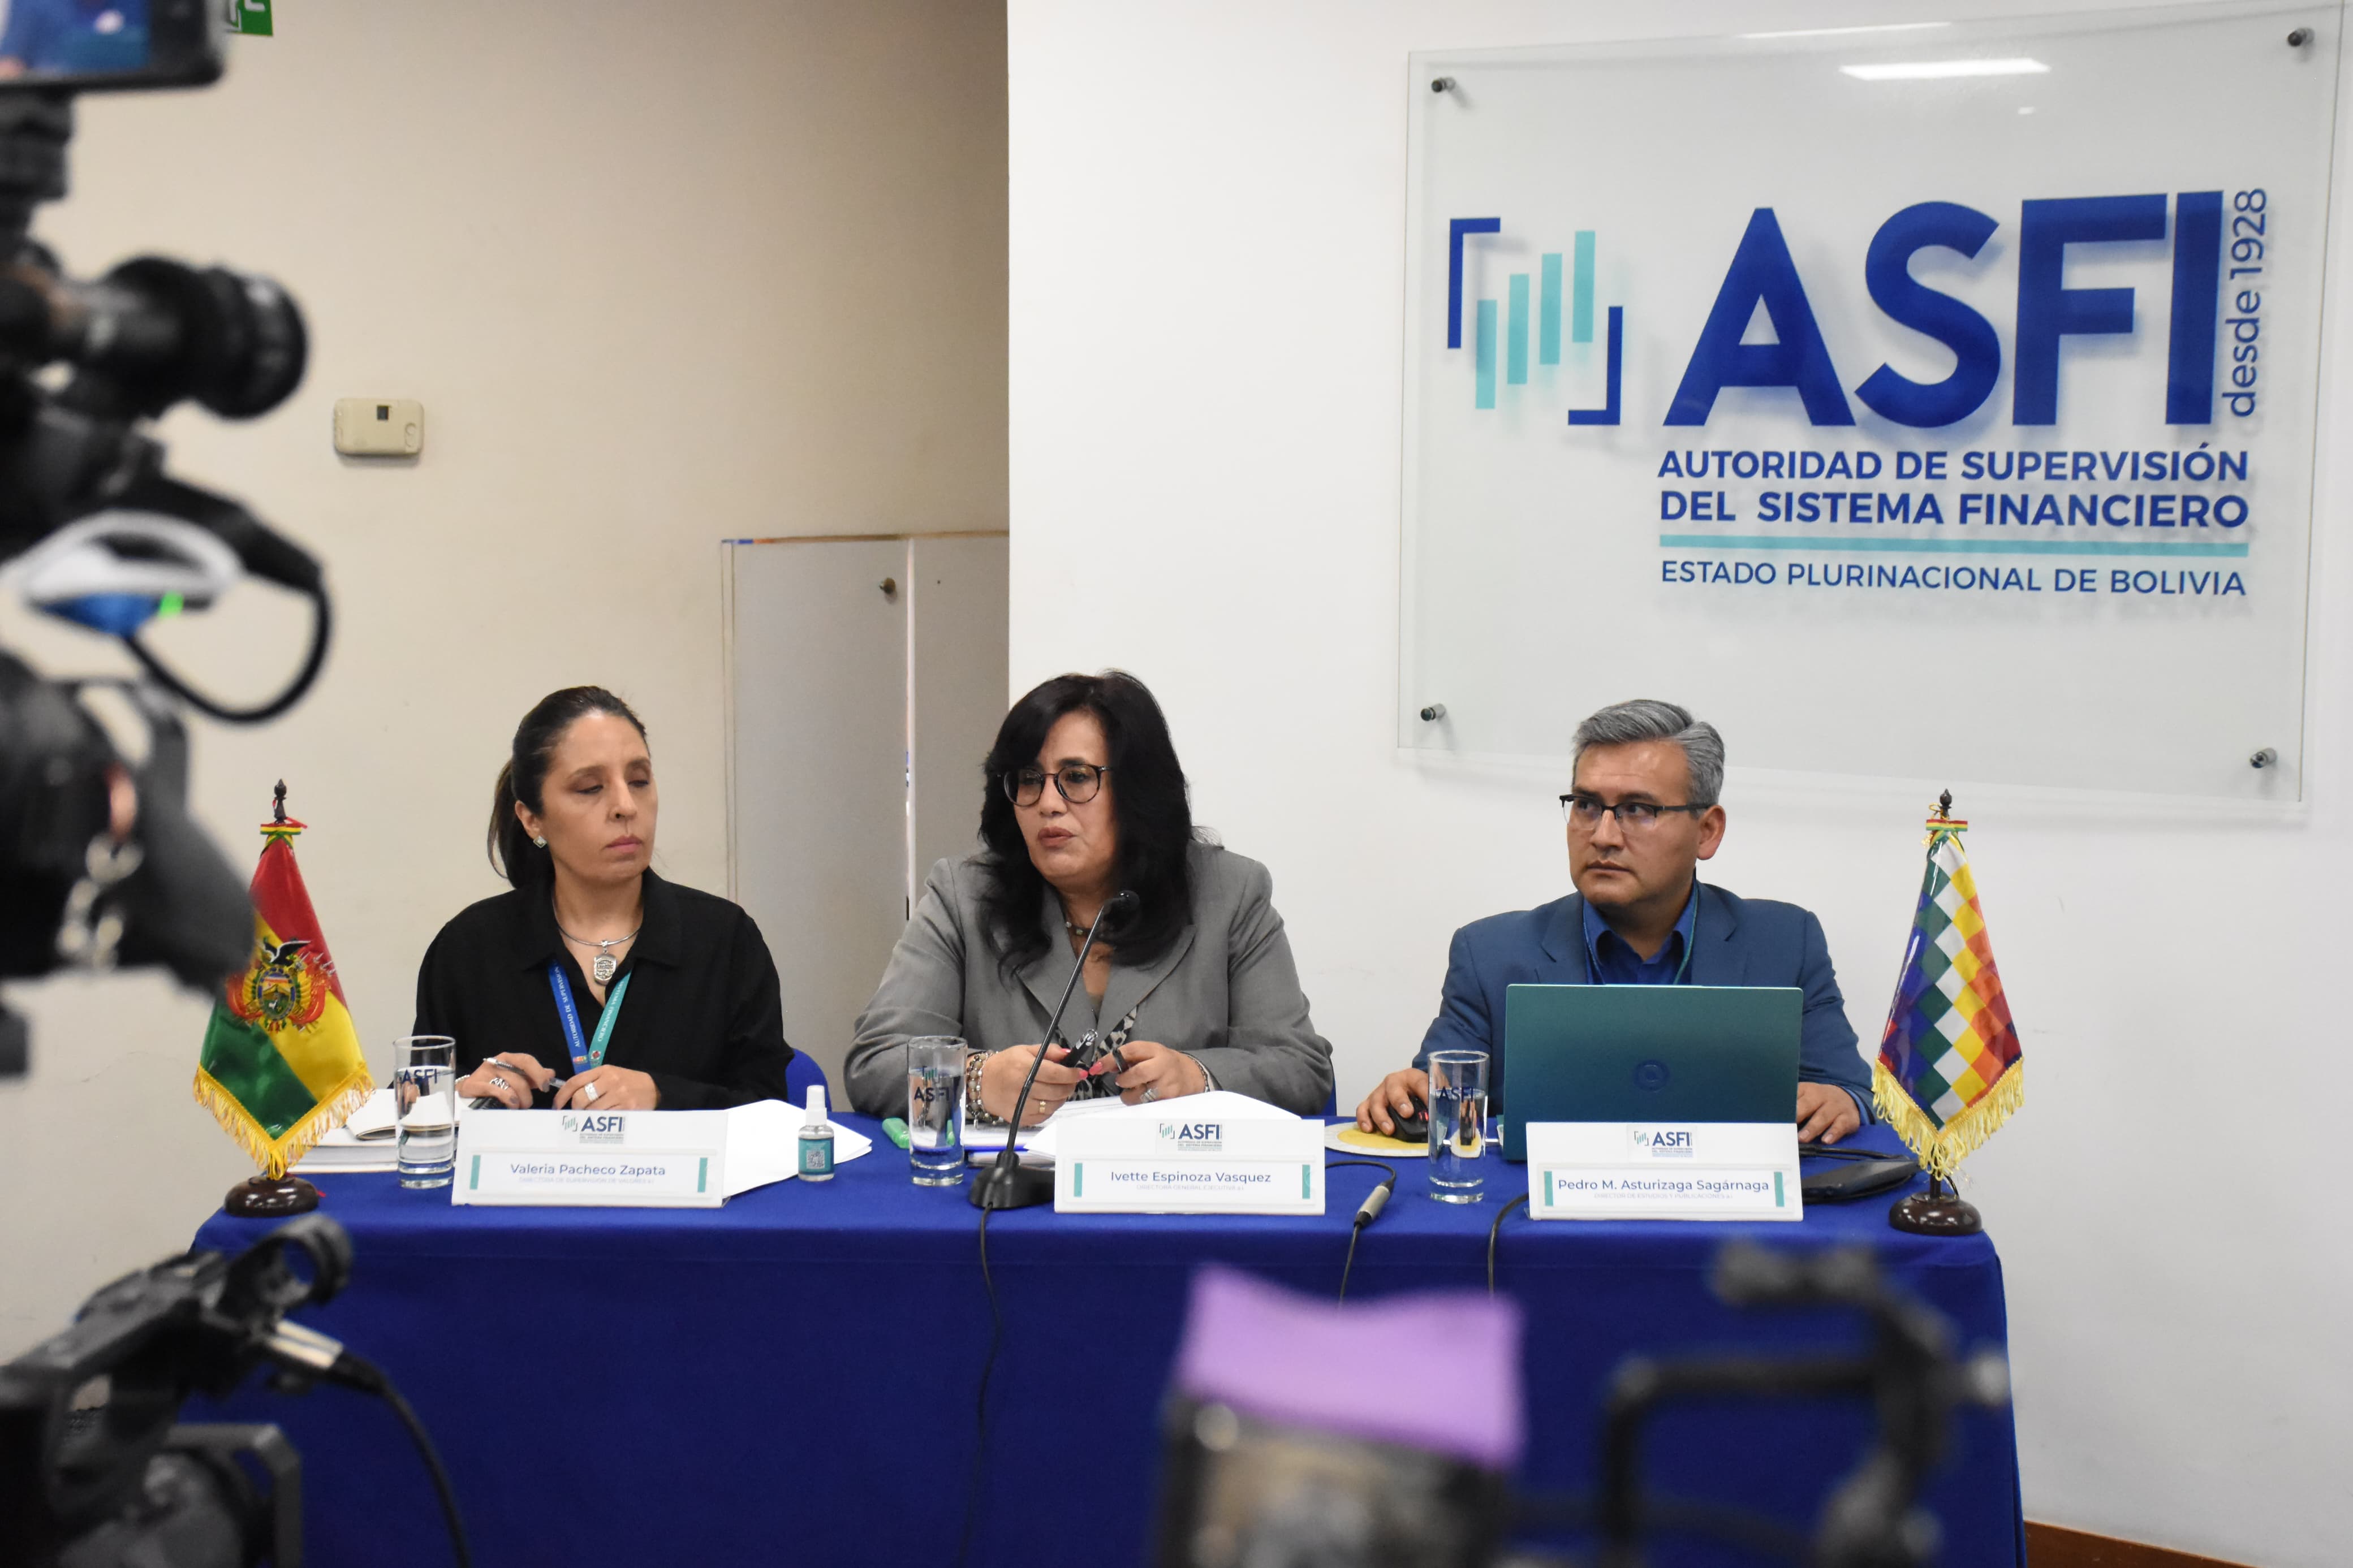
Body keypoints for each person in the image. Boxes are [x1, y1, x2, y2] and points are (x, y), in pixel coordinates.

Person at [1357, 698, 1872, 1144]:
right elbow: (1441, 1100)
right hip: (1547, 1215)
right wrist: (1411, 1095)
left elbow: (1849, 1090)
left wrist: (1840, 1101)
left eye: (1638, 809)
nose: (1603, 835)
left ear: (1707, 831)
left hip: (1730, 1216)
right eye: (1586, 805)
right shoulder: (1490, 953)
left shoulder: (1785, 942)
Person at [847, 671, 1333, 1124]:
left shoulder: (1229, 894)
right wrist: (976, 1081)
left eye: (1077, 776)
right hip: (1016, 1183)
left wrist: (1199, 1078)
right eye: (1029, 780)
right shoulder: (964, 897)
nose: (1048, 803)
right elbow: (875, 1062)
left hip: (1171, 1182)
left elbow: (1301, 1068)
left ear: (1137, 789)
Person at [415, 686, 795, 1111]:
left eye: (639, 781)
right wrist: (461, 1092)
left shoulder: (725, 939)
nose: (626, 806)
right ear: (533, 819)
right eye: (590, 787)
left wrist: (663, 1097)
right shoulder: (469, 947)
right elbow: (412, 1102)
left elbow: (770, 1111)